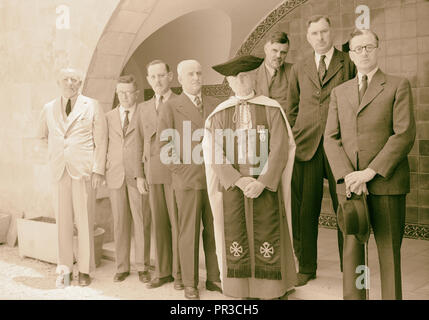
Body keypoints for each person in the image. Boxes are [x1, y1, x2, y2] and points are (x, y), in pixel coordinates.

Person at [324, 29, 416, 300]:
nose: (363, 53)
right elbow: (330, 138)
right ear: (350, 55)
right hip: (351, 187)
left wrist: (369, 172)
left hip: (386, 183)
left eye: (368, 47)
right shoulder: (339, 92)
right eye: (358, 49)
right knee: (353, 253)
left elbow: (404, 134)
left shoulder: (398, 85)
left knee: (388, 253)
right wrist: (348, 175)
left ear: (378, 49)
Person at [203, 55, 297, 299]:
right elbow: (214, 152)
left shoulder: (271, 108)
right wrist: (238, 180)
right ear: (229, 82)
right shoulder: (219, 114)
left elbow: (280, 147)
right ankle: (239, 289)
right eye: (235, 77)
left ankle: (271, 290)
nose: (241, 80)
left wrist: (263, 182)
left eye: (245, 75)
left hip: (265, 186)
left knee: (269, 232)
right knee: (235, 235)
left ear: (254, 76)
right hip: (235, 188)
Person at [285, 15, 356, 286]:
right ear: (308, 37)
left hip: (338, 145)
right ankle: (306, 267)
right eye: (314, 33)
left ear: (332, 32)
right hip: (306, 146)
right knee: (306, 210)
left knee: (346, 207)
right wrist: (295, 135)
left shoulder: (347, 63)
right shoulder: (299, 67)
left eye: (324, 32)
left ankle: (349, 264)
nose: (320, 37)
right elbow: (292, 107)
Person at [157, 60, 221, 300]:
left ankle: (214, 277)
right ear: (180, 79)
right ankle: (190, 282)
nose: (196, 77)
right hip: (187, 181)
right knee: (189, 232)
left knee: (214, 230)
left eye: (199, 72)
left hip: (213, 179)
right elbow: (164, 146)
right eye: (190, 74)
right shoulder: (171, 107)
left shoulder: (214, 105)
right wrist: (183, 171)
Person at [37, 68, 107, 287]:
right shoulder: (48, 108)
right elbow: (41, 137)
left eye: (74, 80)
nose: (70, 83)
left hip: (83, 172)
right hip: (59, 172)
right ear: (59, 82)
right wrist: (52, 157)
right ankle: (65, 270)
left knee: (85, 221)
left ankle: (85, 270)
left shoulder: (93, 105)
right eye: (66, 79)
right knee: (63, 223)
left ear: (80, 83)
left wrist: (98, 169)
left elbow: (101, 140)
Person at [135, 60, 183, 290]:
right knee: (159, 223)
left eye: (161, 76)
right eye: (153, 77)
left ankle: (180, 273)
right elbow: (137, 143)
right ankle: (163, 271)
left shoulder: (180, 103)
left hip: (175, 173)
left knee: (178, 222)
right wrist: (139, 175)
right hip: (152, 173)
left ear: (170, 76)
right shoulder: (143, 108)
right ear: (148, 80)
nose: (157, 81)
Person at [105, 75, 151, 284]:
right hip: (115, 175)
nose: (124, 96)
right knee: (120, 223)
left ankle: (142, 266)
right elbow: (103, 145)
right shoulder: (108, 117)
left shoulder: (144, 113)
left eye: (128, 92)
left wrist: (144, 172)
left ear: (136, 93)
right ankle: (122, 267)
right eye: (120, 92)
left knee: (141, 222)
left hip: (137, 175)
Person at [255, 31, 292, 111]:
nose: (279, 56)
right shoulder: (252, 73)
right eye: (274, 51)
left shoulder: (294, 71)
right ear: (265, 49)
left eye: (283, 52)